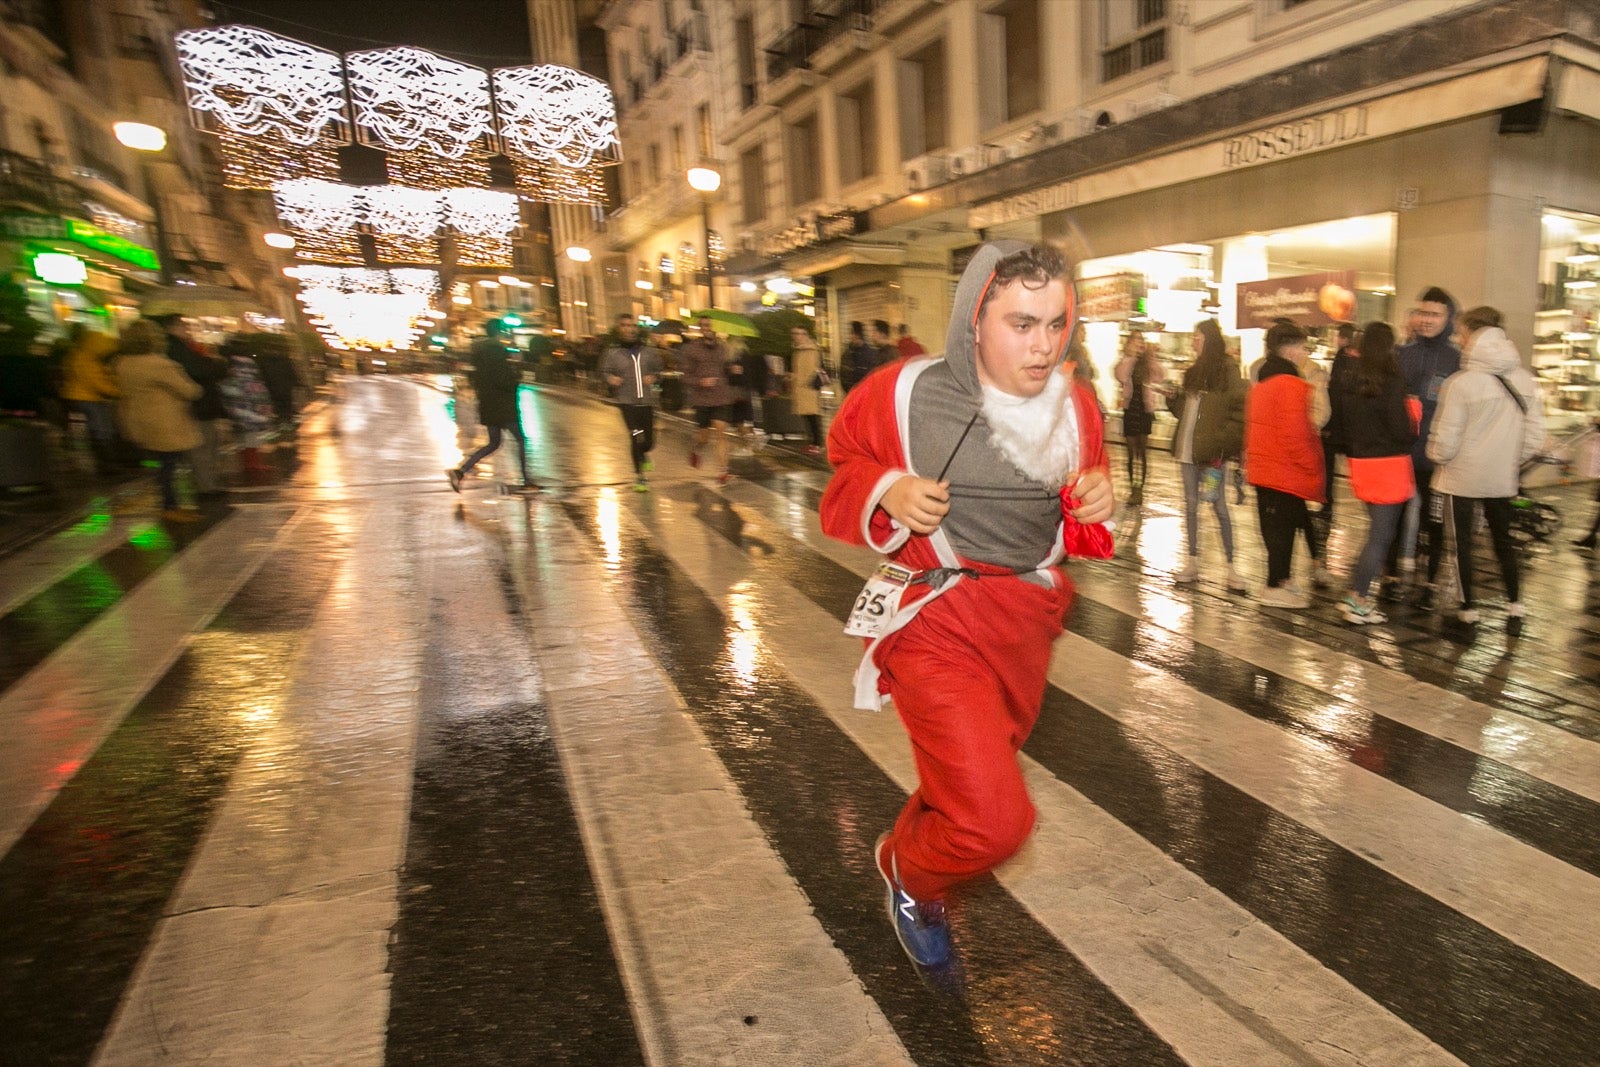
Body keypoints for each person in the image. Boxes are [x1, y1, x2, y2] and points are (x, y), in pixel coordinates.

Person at [819, 240, 1114, 969]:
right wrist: (886, 487)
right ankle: (909, 873)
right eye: (1022, 323)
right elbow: (843, 462)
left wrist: (1101, 497)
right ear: (974, 320)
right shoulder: (904, 392)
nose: (1044, 345)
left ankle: (930, 844)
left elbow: (1083, 511)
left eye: (1056, 323)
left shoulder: (1074, 405)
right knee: (995, 819)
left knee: (975, 776)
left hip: (1027, 621)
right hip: (934, 618)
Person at [1427, 306, 1545, 632]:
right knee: (1503, 541)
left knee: (1460, 545)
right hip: (1502, 477)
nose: (1459, 339)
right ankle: (1515, 609)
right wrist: (1510, 461)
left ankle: (1468, 613)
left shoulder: (1461, 384)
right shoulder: (1525, 379)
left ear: (1474, 336)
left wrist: (1437, 456)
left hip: (1460, 478)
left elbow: (1445, 441)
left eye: (1462, 333)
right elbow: (1535, 436)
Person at [1245, 321, 1328, 608]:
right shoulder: (1292, 385)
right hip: (1284, 470)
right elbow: (1297, 433)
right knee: (1281, 530)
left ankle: (1282, 580)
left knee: (1276, 527)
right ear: (1291, 350)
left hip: (1266, 469)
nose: (1304, 353)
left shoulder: (1261, 383)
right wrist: (1311, 464)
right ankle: (1274, 585)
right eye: (1303, 347)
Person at [1336, 322, 1414, 624]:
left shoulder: (1350, 379)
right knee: (1381, 537)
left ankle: (1354, 594)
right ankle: (1358, 598)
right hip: (1389, 464)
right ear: (1389, 347)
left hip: (1361, 464)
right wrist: (1412, 425)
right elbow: (1400, 429)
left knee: (1375, 534)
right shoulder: (1392, 380)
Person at [1167, 318, 1247, 591]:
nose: (1193, 341)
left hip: (1212, 456)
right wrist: (1172, 397)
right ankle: (1192, 561)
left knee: (1218, 505)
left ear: (1209, 339)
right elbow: (1185, 414)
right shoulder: (1192, 372)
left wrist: (1223, 445)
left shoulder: (1227, 370)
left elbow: (1239, 410)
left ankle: (1231, 566)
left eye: (1197, 337)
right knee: (1190, 505)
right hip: (1188, 452)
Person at [1395, 287, 1461, 605]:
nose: (1426, 320)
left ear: (1448, 318)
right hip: (1402, 452)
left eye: (1434, 314)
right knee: (1395, 513)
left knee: (1432, 521)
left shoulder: (1457, 359)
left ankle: (1431, 581)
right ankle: (1393, 576)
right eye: (1423, 313)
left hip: (1436, 454)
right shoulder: (1403, 354)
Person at [115, 319, 203, 522]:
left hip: (138, 419)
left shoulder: (123, 364)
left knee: (163, 465)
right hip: (165, 423)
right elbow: (189, 390)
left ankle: (170, 503)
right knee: (169, 466)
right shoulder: (160, 365)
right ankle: (170, 506)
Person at [446, 320, 532, 492]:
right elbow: (503, 379)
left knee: (493, 443)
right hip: (503, 405)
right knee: (521, 441)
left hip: (488, 404)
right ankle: (527, 480)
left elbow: (477, 379)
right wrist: (516, 376)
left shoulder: (479, 353)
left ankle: (461, 471)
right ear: (499, 332)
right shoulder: (497, 351)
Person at [154, 315, 229, 497]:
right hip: (197, 406)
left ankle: (207, 484)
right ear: (171, 327)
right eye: (182, 325)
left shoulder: (181, 347)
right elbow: (198, 371)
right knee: (201, 447)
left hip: (200, 405)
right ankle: (206, 487)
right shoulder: (175, 348)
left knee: (206, 445)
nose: (186, 329)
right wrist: (216, 362)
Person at [600, 313, 664, 491]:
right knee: (636, 436)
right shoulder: (612, 352)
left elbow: (660, 370)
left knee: (648, 441)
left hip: (647, 402)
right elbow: (603, 372)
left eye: (632, 325)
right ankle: (640, 477)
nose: (629, 329)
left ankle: (644, 455)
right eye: (625, 325)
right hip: (627, 402)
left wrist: (655, 377)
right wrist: (610, 378)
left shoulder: (648, 351)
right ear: (619, 329)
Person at [58, 324, 121, 474]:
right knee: (101, 429)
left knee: (96, 429)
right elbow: (95, 382)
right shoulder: (87, 359)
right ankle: (106, 464)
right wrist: (116, 392)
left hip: (74, 396)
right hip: (86, 398)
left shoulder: (76, 355)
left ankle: (104, 462)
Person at [680, 316, 735, 483]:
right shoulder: (691, 349)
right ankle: (696, 450)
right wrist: (700, 382)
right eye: (703, 326)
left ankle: (723, 471)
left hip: (721, 396)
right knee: (704, 437)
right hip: (702, 399)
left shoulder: (723, 348)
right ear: (700, 328)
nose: (706, 328)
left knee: (721, 433)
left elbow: (726, 370)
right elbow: (685, 377)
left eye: (709, 325)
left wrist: (733, 369)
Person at [1113, 331, 1165, 497]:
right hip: (1130, 409)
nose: (1139, 343)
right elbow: (1119, 375)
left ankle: (1140, 489)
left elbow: (1159, 376)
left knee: (1142, 453)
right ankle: (1132, 488)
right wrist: (1129, 356)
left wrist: (1151, 357)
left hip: (1144, 410)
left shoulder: (1148, 362)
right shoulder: (1127, 361)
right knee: (1129, 453)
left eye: (1141, 340)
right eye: (1135, 340)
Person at [1321, 322, 1359, 524]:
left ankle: (1327, 504)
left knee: (1328, 465)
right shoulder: (1361, 358)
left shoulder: (1342, 357)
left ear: (1342, 338)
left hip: (1336, 421)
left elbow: (1333, 389)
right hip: (1352, 423)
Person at [788, 325, 824, 454]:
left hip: (809, 388)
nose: (797, 336)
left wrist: (805, 382)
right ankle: (812, 442)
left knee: (812, 416)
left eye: (801, 334)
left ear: (806, 335)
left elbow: (815, 369)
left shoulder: (811, 350)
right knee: (807, 417)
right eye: (795, 333)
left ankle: (817, 443)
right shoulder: (797, 350)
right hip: (801, 388)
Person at [840, 320, 876, 393]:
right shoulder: (848, 352)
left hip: (863, 394)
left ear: (859, 335)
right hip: (850, 394)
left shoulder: (869, 354)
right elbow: (843, 373)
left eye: (853, 333)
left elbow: (871, 376)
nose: (851, 336)